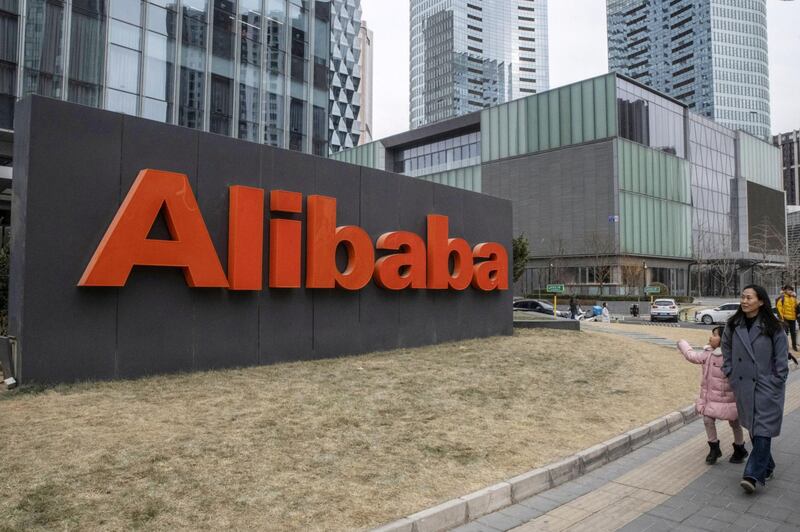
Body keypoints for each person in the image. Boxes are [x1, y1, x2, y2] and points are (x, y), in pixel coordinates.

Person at [722, 285, 788, 494]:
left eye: (749, 298)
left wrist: (777, 379)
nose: (744, 301)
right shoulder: (733, 325)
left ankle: (752, 474)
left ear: (760, 301)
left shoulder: (774, 326)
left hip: (766, 385)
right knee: (753, 427)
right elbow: (726, 350)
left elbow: (781, 357)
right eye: (742, 297)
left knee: (762, 428)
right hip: (743, 384)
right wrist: (730, 372)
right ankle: (767, 465)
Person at [677, 327, 747, 465]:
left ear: (724, 338)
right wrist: (682, 344)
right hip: (711, 398)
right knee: (708, 420)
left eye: (714, 335)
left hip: (730, 398)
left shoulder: (733, 356)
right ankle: (714, 448)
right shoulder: (708, 353)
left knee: (734, 422)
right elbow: (692, 356)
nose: (710, 337)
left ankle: (740, 448)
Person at [775, 284, 798, 353]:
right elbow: (779, 309)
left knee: (793, 333)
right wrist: (781, 319)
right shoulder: (782, 298)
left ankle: (794, 346)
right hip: (785, 319)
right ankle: (784, 346)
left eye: (791, 290)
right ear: (785, 290)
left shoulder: (794, 298)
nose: (790, 291)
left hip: (793, 319)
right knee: (785, 333)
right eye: (788, 290)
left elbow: (797, 307)